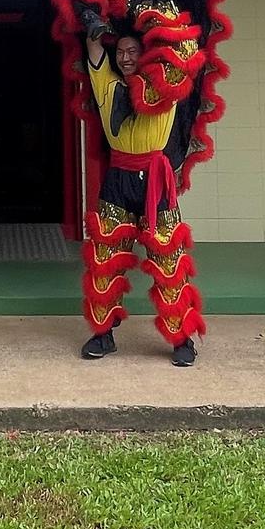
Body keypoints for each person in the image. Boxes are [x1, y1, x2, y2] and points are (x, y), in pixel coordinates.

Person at [80, 30, 205, 367]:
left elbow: (186, 48)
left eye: (133, 50)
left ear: (145, 53)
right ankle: (103, 334)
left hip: (156, 183)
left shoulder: (166, 83)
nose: (126, 58)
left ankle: (182, 339)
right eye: (120, 51)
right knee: (103, 261)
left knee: (169, 263)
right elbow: (93, 46)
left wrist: (156, 1)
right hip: (117, 182)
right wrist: (92, 19)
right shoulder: (105, 82)